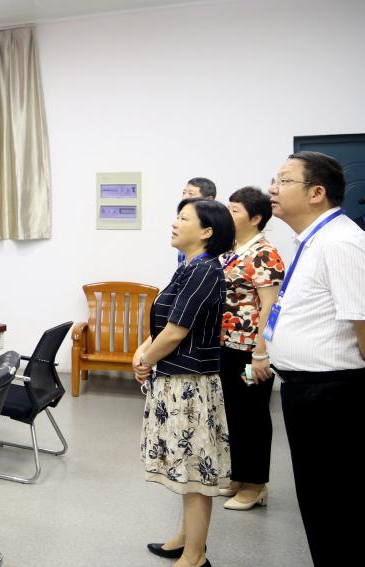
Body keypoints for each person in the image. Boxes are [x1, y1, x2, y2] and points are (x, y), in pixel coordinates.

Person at [265, 151, 365, 565]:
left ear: (316, 193)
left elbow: (363, 323)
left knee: (336, 507)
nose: (272, 188)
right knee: (320, 503)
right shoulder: (314, 240)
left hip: (333, 395)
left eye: (284, 180)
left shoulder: (340, 242)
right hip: (307, 391)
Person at [135, 198, 234, 567]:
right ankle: (185, 539)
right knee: (185, 468)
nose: (175, 223)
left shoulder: (204, 271)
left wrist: (146, 359)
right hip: (175, 379)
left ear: (206, 231)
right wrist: (144, 352)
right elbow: (166, 323)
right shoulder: (189, 267)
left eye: (184, 218)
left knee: (194, 472)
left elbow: (176, 332)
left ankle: (194, 556)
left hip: (189, 385)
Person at [218, 187, 285, 510]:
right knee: (233, 411)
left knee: (252, 413)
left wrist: (261, 353)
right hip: (227, 346)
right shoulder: (231, 249)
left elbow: (270, 307)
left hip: (250, 351)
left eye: (235, 210)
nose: (228, 214)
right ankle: (239, 476)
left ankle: (256, 485)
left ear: (256, 218)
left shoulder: (264, 253)